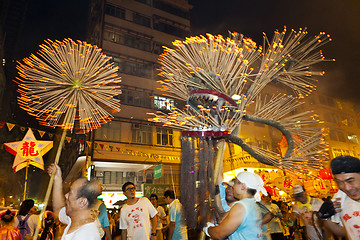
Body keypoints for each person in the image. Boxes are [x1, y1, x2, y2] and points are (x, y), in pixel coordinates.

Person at [203, 171, 267, 240]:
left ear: (243, 186)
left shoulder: (241, 207)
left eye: (235, 183)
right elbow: (222, 220)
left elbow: (219, 234)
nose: (233, 187)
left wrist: (207, 229)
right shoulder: (251, 204)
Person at [48, 162, 103, 239]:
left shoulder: (87, 235)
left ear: (82, 202)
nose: (66, 195)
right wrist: (57, 179)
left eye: (70, 193)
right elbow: (58, 209)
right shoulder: (74, 220)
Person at [318, 155, 360, 239]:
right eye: (340, 182)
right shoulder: (341, 199)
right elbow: (342, 231)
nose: (346, 188)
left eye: (350, 181)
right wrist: (326, 218)